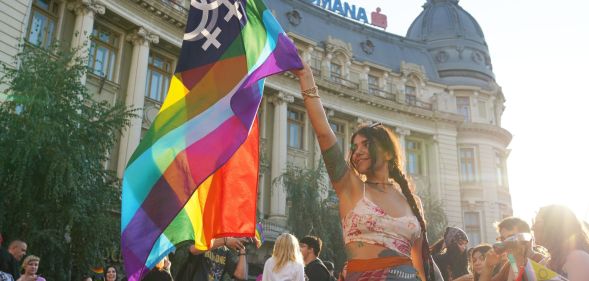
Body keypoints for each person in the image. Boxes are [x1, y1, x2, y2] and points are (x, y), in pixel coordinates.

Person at [292, 62, 435, 280]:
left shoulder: (411, 200)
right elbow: (324, 134)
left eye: (365, 144)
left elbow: (422, 267)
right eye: (354, 147)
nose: (357, 152)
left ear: (387, 153)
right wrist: (306, 77)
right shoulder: (352, 188)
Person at [531, 205, 589, 280]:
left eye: (537, 222)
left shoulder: (578, 258)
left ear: (553, 225)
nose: (532, 228)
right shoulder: (546, 262)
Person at [171, 237, 249, 281]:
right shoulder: (198, 238)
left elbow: (240, 276)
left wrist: (242, 248)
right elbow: (193, 250)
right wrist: (225, 240)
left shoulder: (225, 250)